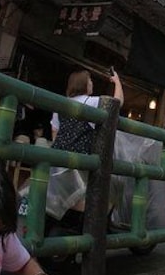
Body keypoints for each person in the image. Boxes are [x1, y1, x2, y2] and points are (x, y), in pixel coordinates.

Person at [47, 68, 123, 218]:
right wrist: (117, 81)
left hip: (58, 161)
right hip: (81, 161)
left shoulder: (61, 104)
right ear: (84, 85)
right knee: (112, 188)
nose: (92, 84)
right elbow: (117, 103)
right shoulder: (92, 102)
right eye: (90, 81)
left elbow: (54, 134)